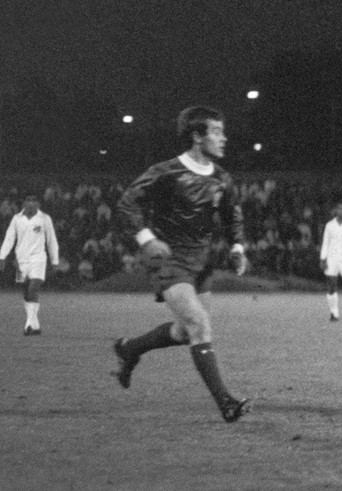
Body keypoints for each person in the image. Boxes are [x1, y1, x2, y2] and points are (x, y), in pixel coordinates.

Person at [113, 106, 251, 422]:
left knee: (187, 331)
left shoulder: (221, 179)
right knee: (200, 326)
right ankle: (226, 404)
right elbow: (127, 203)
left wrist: (237, 247)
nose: (224, 138)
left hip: (201, 263)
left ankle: (130, 348)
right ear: (196, 136)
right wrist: (146, 239)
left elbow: (232, 216)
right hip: (169, 261)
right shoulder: (166, 172)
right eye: (216, 132)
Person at [0, 195, 60, 335]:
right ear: (24, 203)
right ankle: (35, 325)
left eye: (34, 201)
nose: (31, 204)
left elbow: (51, 240)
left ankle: (28, 325)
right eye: (28, 201)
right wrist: (2, 256)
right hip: (21, 261)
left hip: (38, 259)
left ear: (38, 204)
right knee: (26, 292)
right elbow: (9, 238)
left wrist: (55, 260)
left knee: (32, 289)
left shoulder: (44, 219)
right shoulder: (16, 218)